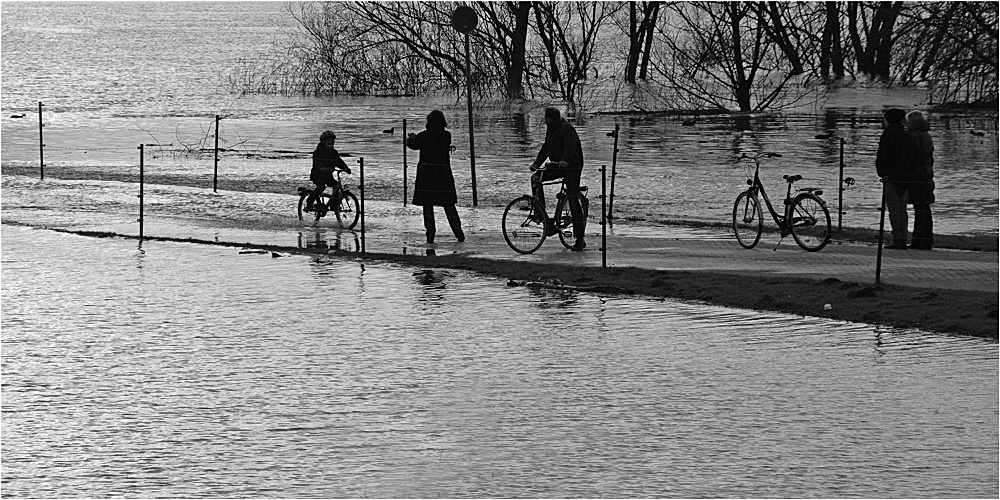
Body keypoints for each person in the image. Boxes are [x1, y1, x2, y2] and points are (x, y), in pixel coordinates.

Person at [530, 107, 587, 251]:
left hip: (572, 167)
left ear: (551, 119)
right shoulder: (551, 129)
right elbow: (546, 147)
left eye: (546, 119)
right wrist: (537, 163)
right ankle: (542, 217)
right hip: (558, 164)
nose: (545, 121)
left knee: (573, 200)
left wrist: (565, 160)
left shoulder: (567, 129)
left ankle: (580, 239)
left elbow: (570, 146)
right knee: (537, 178)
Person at [407, 110, 465, 244]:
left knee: (428, 206)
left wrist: (410, 138)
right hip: (443, 175)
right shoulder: (446, 136)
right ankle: (459, 233)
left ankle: (430, 235)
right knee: (449, 205)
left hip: (427, 176)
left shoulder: (424, 136)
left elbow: (414, 144)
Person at [875, 108, 918, 250]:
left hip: (892, 176)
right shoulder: (907, 135)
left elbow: (883, 155)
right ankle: (904, 236)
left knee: (893, 208)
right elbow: (912, 157)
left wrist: (882, 172)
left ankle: (897, 237)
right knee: (902, 209)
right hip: (906, 177)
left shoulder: (888, 134)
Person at [907, 110, 935, 250]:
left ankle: (919, 240)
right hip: (926, 174)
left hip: (918, 175)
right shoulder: (926, 136)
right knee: (924, 207)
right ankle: (925, 239)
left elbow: (913, 156)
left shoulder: (914, 136)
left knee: (920, 207)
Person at [306, 130, 351, 212]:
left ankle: (334, 204)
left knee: (336, 186)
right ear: (323, 142)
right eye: (329, 143)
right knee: (321, 187)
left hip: (328, 175)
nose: (331, 145)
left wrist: (345, 168)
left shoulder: (333, 152)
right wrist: (322, 168)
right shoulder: (318, 152)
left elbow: (338, 161)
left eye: (332, 143)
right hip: (318, 174)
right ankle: (309, 201)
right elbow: (317, 162)